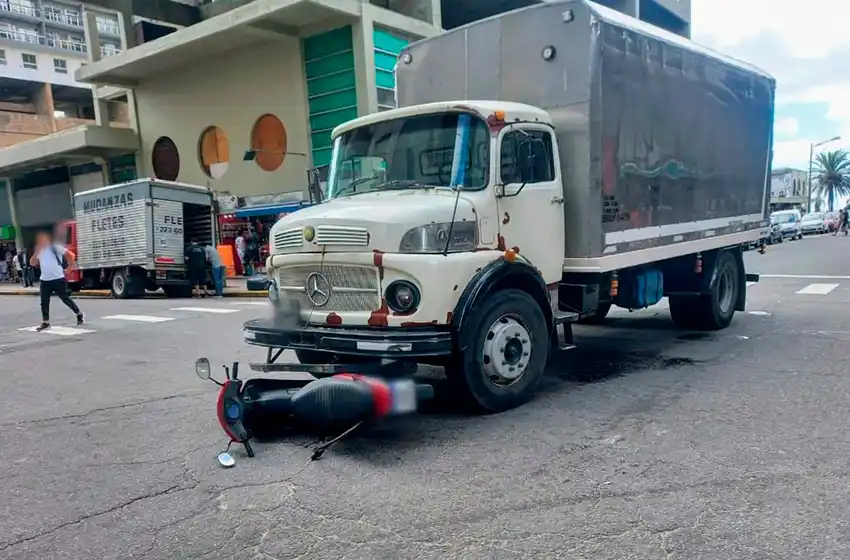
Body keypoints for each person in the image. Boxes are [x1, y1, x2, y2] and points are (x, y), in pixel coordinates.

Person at [30, 230, 84, 331]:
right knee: (44, 301)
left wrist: (69, 268)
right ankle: (45, 322)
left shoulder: (55, 247)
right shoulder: (39, 250)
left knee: (65, 298)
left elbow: (71, 255)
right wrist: (37, 252)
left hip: (58, 278)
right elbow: (32, 263)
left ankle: (78, 313)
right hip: (45, 280)